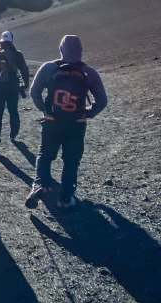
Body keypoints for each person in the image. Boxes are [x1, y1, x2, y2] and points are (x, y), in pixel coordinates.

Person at [25, 35, 107, 209]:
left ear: (61, 49)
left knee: (45, 155)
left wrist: (46, 111)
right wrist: (88, 113)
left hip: (52, 121)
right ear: (80, 51)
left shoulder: (48, 68)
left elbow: (34, 92)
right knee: (71, 160)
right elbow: (102, 101)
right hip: (76, 123)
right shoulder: (89, 72)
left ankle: (40, 186)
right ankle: (66, 197)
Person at [0, 30, 29, 155]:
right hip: (12, 88)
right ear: (11, 40)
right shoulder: (17, 54)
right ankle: (13, 135)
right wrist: (24, 85)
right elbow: (24, 70)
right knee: (13, 111)